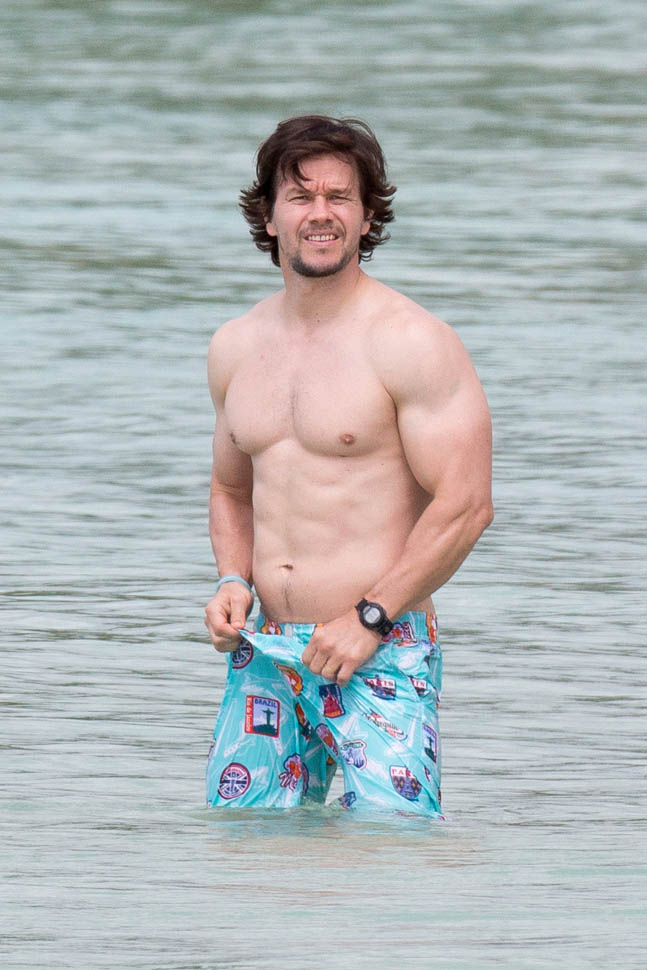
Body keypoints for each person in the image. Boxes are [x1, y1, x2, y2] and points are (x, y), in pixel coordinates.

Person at [203, 115, 493, 816]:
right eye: (300, 197)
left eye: (340, 197)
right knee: (240, 852)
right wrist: (233, 579)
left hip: (380, 649)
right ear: (268, 216)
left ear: (367, 218)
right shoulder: (235, 345)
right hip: (266, 652)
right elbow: (230, 488)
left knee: (391, 854)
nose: (321, 213)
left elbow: (465, 505)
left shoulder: (412, 342)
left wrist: (369, 617)